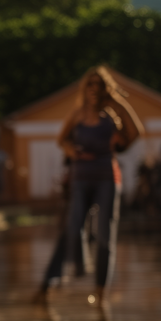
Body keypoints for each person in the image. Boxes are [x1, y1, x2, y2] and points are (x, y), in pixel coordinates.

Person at [42, 67, 142, 298]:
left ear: (105, 88)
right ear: (85, 88)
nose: (94, 88)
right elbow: (62, 140)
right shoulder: (76, 115)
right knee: (74, 225)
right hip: (80, 177)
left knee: (105, 235)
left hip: (107, 177)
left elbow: (135, 132)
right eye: (90, 83)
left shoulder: (111, 117)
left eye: (99, 84)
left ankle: (100, 291)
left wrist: (116, 102)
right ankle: (78, 268)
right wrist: (73, 152)